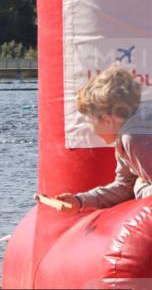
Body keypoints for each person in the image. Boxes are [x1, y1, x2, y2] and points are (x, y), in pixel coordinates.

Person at [46, 66, 151, 210]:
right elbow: (125, 186)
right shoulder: (126, 135)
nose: (89, 128)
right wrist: (80, 201)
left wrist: (140, 187)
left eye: (89, 120)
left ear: (107, 120)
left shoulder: (134, 137)